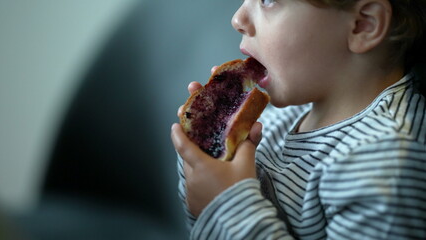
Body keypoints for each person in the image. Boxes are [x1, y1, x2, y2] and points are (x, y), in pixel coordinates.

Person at [171, 0, 426, 239]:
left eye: (268, 0)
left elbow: (225, 217)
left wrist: (226, 204)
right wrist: (204, 166)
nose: (237, 19)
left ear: (363, 25)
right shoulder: (280, 118)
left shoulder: (386, 166)